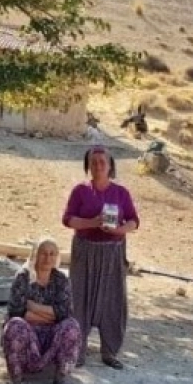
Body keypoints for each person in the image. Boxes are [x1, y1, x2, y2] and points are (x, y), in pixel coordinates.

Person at [62, 145, 139, 369]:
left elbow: (134, 221)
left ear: (110, 165)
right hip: (85, 252)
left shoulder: (121, 193)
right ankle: (77, 350)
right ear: (88, 166)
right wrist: (93, 222)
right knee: (79, 299)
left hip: (112, 253)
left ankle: (110, 351)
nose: (98, 166)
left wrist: (119, 230)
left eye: (102, 162)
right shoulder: (80, 191)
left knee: (113, 300)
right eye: (93, 162)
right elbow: (68, 219)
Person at [1, 237, 83, 384]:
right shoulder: (23, 277)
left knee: (71, 327)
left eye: (52, 254)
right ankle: (16, 379)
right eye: (43, 253)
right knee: (15, 325)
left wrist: (34, 307)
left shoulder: (61, 279)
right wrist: (51, 314)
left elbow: (65, 312)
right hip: (28, 329)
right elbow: (16, 311)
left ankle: (61, 377)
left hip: (53, 330)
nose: (47, 258)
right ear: (35, 255)